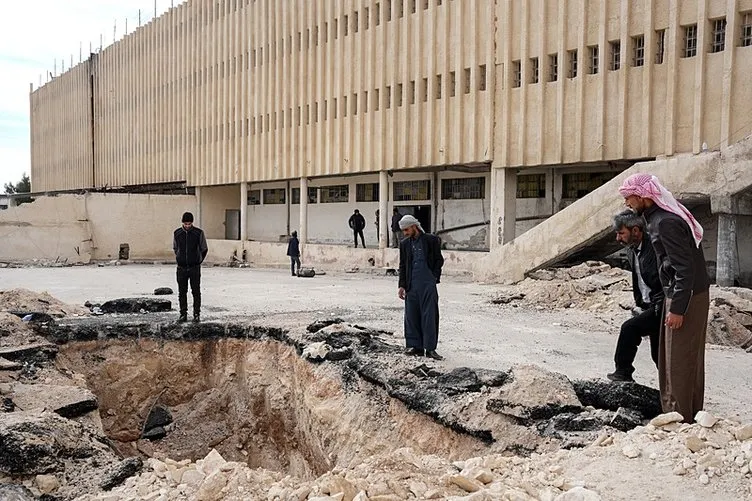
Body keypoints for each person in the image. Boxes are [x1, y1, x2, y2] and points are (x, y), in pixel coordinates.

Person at [619, 173, 710, 423]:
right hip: (682, 293)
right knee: (673, 357)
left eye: (629, 197)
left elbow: (684, 269)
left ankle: (678, 418)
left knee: (678, 360)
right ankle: (683, 414)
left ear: (643, 196)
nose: (627, 202)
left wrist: (678, 308)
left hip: (686, 296)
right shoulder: (658, 219)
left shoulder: (665, 223)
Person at [607, 210, 664, 382]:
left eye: (621, 233)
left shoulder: (654, 248)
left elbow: (662, 280)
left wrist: (658, 307)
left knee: (630, 329)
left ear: (636, 231)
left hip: (660, 304)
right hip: (647, 305)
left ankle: (623, 373)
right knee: (658, 355)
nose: (618, 238)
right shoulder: (632, 250)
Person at [398, 214, 445, 360]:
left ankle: (430, 349)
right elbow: (403, 265)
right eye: (403, 231)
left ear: (414, 226)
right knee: (412, 316)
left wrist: (433, 277)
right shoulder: (405, 244)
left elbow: (439, 260)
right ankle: (416, 347)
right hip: (411, 285)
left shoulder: (431, 240)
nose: (405, 233)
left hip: (427, 284)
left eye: (406, 230)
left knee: (429, 316)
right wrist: (402, 285)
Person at [173, 212, 208, 323]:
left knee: (196, 291)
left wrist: (198, 261)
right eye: (186, 223)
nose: (187, 225)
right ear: (182, 223)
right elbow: (175, 248)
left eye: (189, 223)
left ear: (192, 223)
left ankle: (196, 314)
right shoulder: (177, 233)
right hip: (181, 268)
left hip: (194, 268)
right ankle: (183, 314)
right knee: (182, 292)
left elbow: (204, 248)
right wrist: (180, 258)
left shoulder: (198, 233)